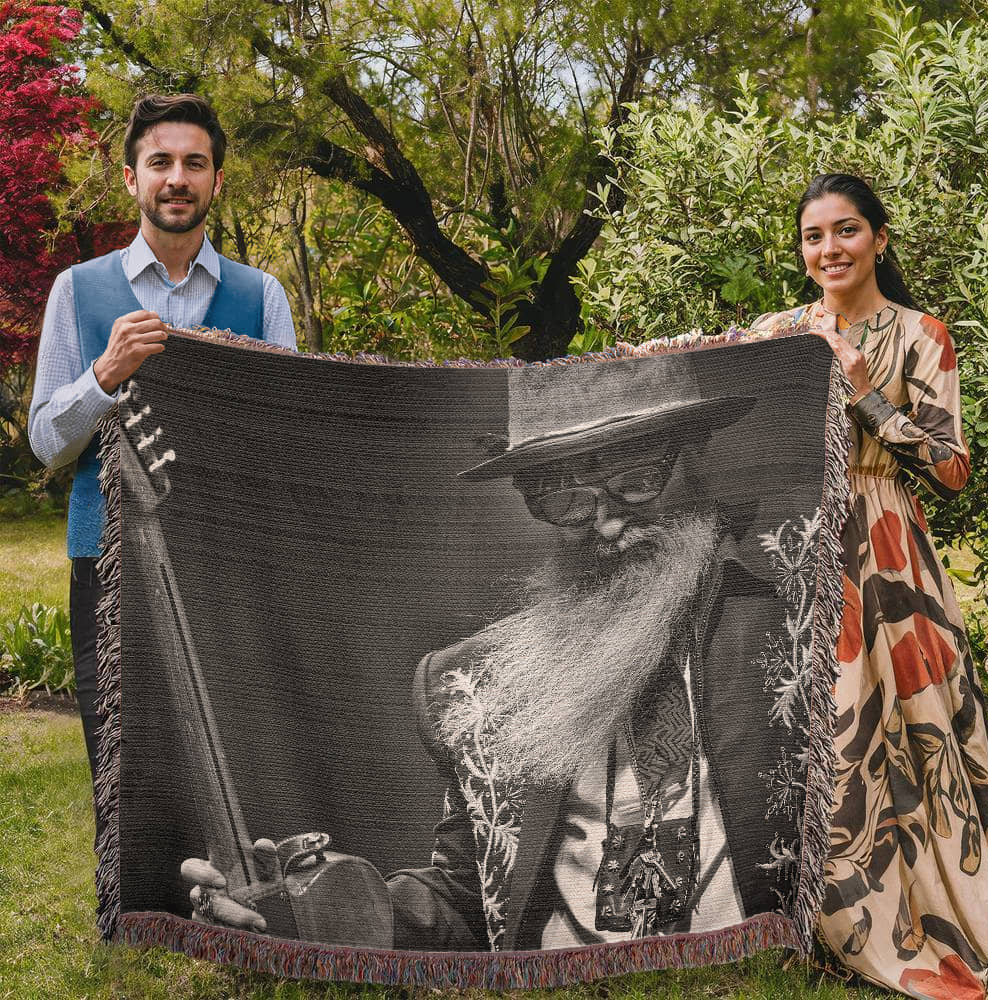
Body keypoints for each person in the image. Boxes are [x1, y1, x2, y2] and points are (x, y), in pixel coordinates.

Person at [183, 356, 815, 951]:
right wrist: (302, 907)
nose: (608, 526)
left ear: (697, 460)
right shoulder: (478, 683)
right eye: (568, 503)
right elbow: (474, 895)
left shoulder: (804, 626)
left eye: (638, 483)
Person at [750, 173, 988, 998]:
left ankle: (915, 908)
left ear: (880, 239)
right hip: (804, 548)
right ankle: (821, 917)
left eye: (846, 231)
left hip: (889, 555)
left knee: (901, 725)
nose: (829, 249)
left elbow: (953, 468)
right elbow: (712, 376)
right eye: (814, 236)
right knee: (813, 731)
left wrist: (860, 388)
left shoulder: (922, 334)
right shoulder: (784, 330)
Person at [28, 93, 298, 817]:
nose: (176, 177)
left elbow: (286, 445)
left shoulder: (262, 295)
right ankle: (133, 908)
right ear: (131, 179)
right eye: (160, 162)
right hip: (106, 555)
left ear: (215, 181)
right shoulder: (76, 291)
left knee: (226, 743)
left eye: (194, 163)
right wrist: (103, 377)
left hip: (224, 560)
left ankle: (221, 902)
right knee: (116, 734)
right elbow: (47, 443)